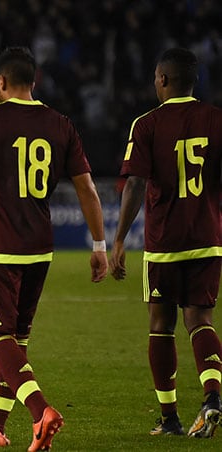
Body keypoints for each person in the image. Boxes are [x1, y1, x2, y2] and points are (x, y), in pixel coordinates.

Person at [0, 47, 108, 451]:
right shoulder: (60, 124)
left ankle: (41, 411)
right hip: (40, 248)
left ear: (1, 82)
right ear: (33, 83)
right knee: (17, 340)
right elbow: (87, 188)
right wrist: (99, 244)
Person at [110, 47, 222, 438]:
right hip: (208, 239)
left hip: (165, 242)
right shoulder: (216, 120)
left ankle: (170, 418)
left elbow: (136, 183)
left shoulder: (147, 125)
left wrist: (120, 238)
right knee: (200, 320)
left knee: (161, 325)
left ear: (162, 80)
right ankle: (212, 397)